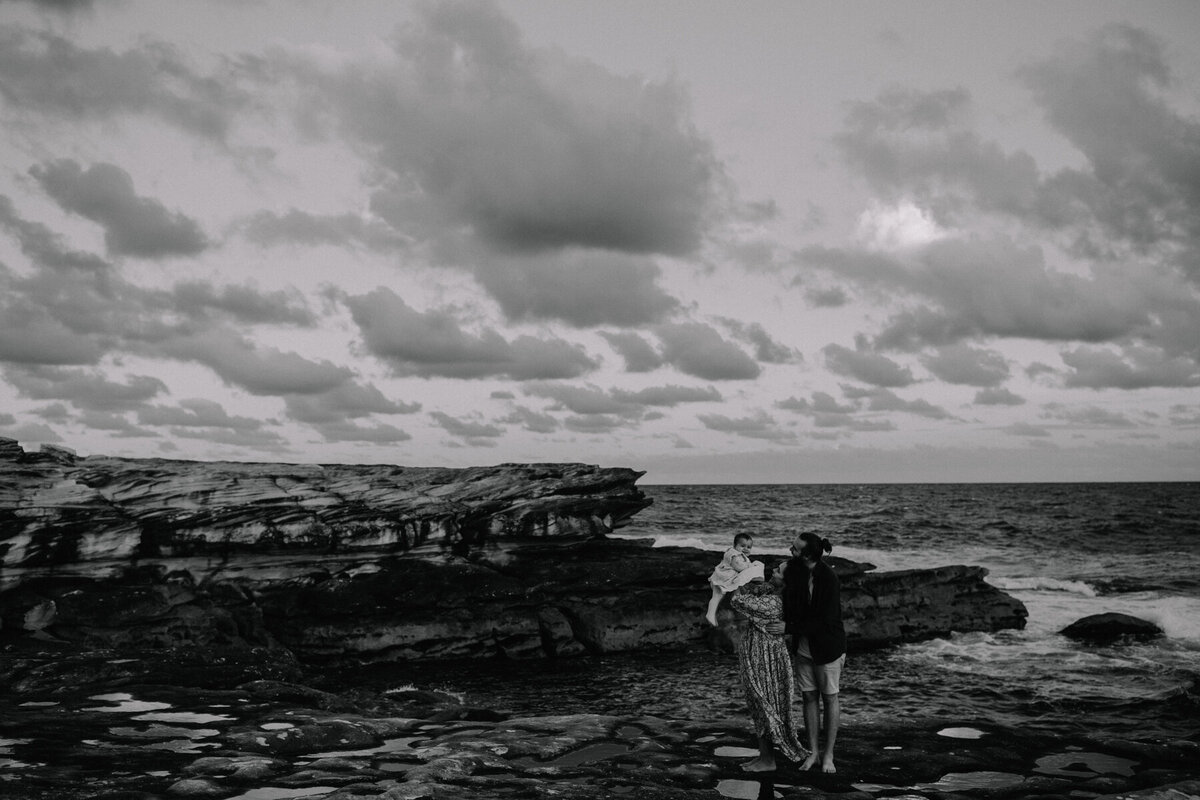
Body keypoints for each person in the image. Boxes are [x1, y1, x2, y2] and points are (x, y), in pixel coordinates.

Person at [728, 561, 810, 772]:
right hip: (757, 654)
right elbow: (755, 589)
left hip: (766, 657)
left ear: (786, 580)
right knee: (758, 705)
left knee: (764, 704)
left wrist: (734, 577)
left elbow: (737, 600)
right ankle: (764, 756)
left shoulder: (775, 603)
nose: (772, 571)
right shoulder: (771, 592)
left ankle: (769, 760)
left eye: (777, 571)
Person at [776, 532, 846, 774]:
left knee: (829, 698)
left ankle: (828, 755)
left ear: (806, 555)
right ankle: (813, 752)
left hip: (827, 647)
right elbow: (789, 604)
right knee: (808, 698)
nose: (789, 551)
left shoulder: (828, 579)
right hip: (804, 647)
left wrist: (788, 628)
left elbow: (824, 621)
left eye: (794, 549)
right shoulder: (795, 571)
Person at [706, 533, 765, 626]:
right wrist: (750, 566)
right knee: (717, 596)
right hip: (721, 579)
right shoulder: (733, 554)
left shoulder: (741, 556)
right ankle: (710, 614)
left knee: (734, 590)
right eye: (742, 546)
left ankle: (737, 602)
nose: (746, 549)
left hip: (728, 578)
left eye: (749, 547)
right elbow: (738, 567)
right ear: (734, 546)